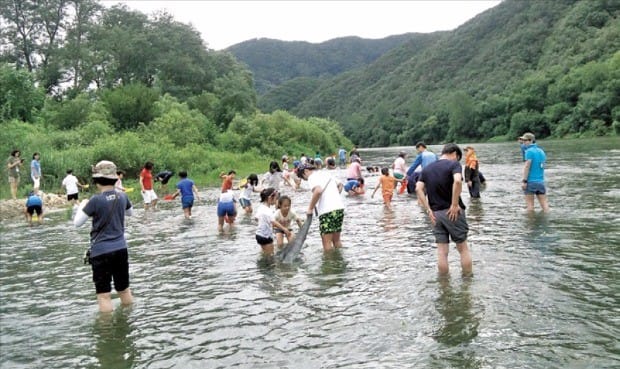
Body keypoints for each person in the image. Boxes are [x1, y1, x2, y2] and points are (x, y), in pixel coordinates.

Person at [74, 160, 134, 313]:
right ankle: (126, 322)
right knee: (124, 289)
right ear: (115, 179)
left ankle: (106, 332)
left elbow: (77, 223)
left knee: (104, 295)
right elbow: (130, 213)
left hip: (101, 252)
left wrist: (82, 205)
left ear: (97, 181)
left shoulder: (95, 200)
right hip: (121, 248)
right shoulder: (122, 196)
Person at [415, 143, 473, 277]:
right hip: (453, 212)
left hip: (435, 214)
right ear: (454, 154)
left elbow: (418, 188)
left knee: (441, 251)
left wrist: (428, 209)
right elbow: (457, 181)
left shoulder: (427, 168)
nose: (457, 160)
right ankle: (467, 281)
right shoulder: (453, 165)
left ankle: (444, 284)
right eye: (457, 157)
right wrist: (454, 204)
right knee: (463, 248)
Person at [296, 164, 345, 251]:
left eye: (303, 177)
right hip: (339, 209)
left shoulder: (312, 177)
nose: (305, 180)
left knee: (326, 243)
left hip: (327, 211)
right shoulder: (325, 174)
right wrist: (334, 196)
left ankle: (329, 264)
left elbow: (318, 191)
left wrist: (310, 208)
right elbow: (340, 185)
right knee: (337, 241)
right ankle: (339, 262)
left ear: (306, 171)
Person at [254, 188, 292, 256]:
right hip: (266, 236)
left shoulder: (261, 207)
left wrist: (264, 222)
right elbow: (274, 222)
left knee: (264, 252)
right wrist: (284, 229)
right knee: (271, 256)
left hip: (259, 235)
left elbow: (256, 218)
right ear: (270, 198)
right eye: (276, 198)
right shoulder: (269, 211)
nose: (276, 200)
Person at [520, 132, 550, 212]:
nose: (523, 142)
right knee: (545, 206)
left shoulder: (529, 151)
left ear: (530, 141)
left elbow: (527, 166)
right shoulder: (541, 151)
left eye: (525, 140)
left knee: (530, 207)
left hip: (530, 182)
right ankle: (546, 222)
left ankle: (530, 224)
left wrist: (524, 181)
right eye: (522, 141)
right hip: (540, 182)